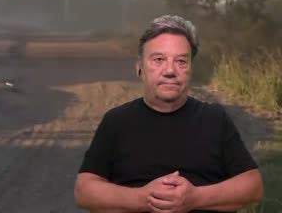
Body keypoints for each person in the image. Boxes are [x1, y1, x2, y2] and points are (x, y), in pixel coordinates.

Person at [75, 15, 264, 213]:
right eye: (158, 59)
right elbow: (84, 191)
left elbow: (253, 187)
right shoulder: (117, 121)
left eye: (181, 61)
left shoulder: (214, 119)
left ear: (190, 69)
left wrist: (195, 198)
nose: (170, 70)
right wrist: (143, 198)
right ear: (140, 68)